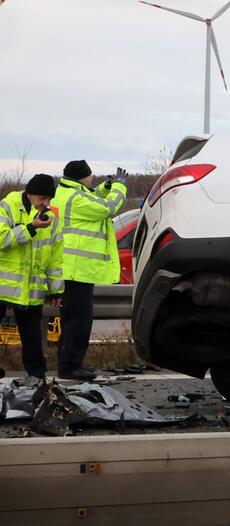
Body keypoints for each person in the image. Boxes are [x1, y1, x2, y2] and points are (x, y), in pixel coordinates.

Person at [52, 160, 127, 381]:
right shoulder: (76, 199)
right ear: (81, 178)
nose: (93, 178)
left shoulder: (67, 193)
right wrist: (120, 187)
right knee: (79, 321)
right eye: (90, 176)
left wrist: (107, 186)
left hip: (72, 270)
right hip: (77, 270)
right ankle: (70, 367)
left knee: (71, 320)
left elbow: (93, 197)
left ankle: (67, 364)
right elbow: (107, 208)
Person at [0, 174, 64, 386]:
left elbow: (56, 258)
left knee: (32, 337)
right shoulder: (8, 206)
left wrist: (56, 289)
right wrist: (30, 228)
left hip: (32, 288)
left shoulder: (51, 220)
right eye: (41, 198)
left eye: (48, 199)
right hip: (3, 284)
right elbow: (2, 239)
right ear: (29, 193)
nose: (45, 203)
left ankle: (36, 376)